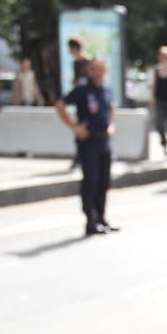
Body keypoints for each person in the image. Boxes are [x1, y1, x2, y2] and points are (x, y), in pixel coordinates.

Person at [54, 58, 117, 237]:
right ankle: (91, 220)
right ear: (91, 70)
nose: (99, 73)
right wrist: (75, 127)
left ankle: (102, 217)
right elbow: (60, 105)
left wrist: (111, 125)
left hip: (104, 140)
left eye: (102, 69)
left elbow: (111, 108)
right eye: (96, 69)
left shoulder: (105, 89)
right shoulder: (83, 88)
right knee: (91, 180)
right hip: (89, 141)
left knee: (104, 181)